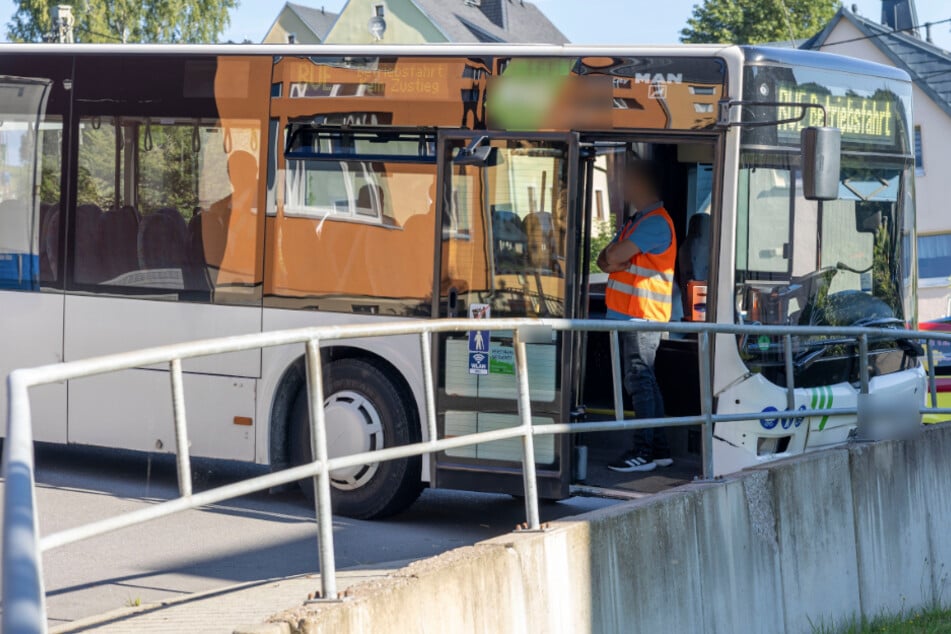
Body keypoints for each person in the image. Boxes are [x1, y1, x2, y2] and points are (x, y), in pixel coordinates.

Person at [596, 159, 677, 473]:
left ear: (641, 185)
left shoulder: (655, 222)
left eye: (626, 181)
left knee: (640, 383)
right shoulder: (637, 221)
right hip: (630, 316)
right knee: (645, 383)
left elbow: (613, 256)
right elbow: (605, 260)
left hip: (640, 317)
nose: (621, 187)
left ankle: (642, 452)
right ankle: (659, 450)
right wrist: (614, 258)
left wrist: (615, 258)